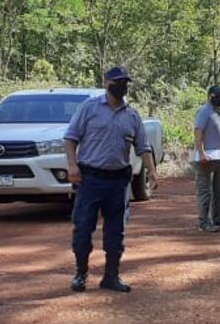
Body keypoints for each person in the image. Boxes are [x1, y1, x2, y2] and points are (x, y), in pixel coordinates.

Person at [65, 66, 158, 293]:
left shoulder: (132, 116)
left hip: (118, 182)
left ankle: (111, 276)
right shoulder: (89, 108)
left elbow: (143, 147)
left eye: (125, 83)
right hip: (90, 179)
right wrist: (72, 165)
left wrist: (152, 171)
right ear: (106, 83)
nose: (122, 87)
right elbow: (70, 138)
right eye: (117, 82)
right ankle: (80, 274)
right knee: (83, 228)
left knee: (116, 232)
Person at [194, 85, 220, 232]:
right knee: (205, 190)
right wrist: (201, 152)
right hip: (207, 156)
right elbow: (198, 131)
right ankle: (204, 222)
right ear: (210, 96)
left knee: (219, 190)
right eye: (217, 95)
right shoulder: (204, 111)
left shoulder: (219, 113)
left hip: (219, 156)